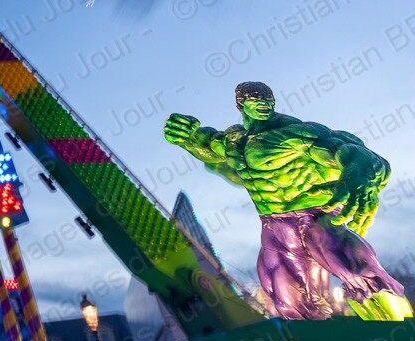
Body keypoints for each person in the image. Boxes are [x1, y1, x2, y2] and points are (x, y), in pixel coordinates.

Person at [164, 81, 411, 320]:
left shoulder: (296, 133)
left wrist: (359, 176)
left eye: (268, 100)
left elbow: (354, 152)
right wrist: (186, 137)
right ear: (241, 105)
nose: (264, 104)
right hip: (275, 226)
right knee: (290, 301)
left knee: (361, 275)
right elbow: (207, 147)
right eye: (255, 100)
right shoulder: (233, 141)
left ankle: (402, 331)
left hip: (316, 216)